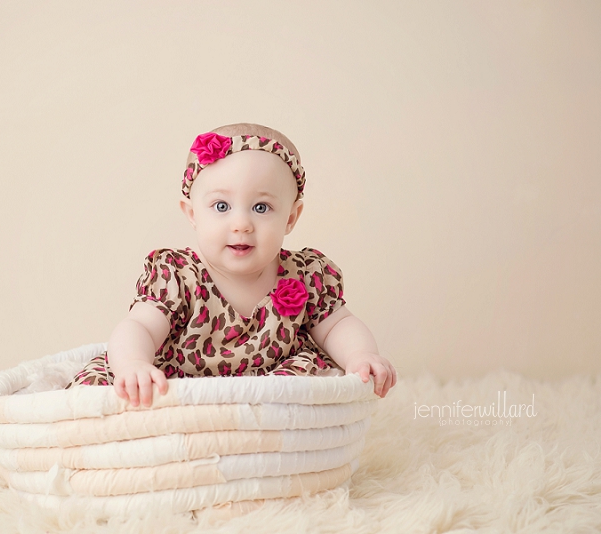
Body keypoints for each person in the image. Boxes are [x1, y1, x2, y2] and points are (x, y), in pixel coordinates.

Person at [68, 123, 396, 407]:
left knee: (320, 382)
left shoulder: (306, 276)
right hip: (178, 386)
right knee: (100, 390)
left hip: (271, 389)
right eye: (221, 205)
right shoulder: (179, 276)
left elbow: (338, 324)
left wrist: (360, 356)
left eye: (262, 207)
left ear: (291, 218)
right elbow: (139, 326)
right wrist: (134, 364)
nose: (241, 223)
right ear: (192, 213)